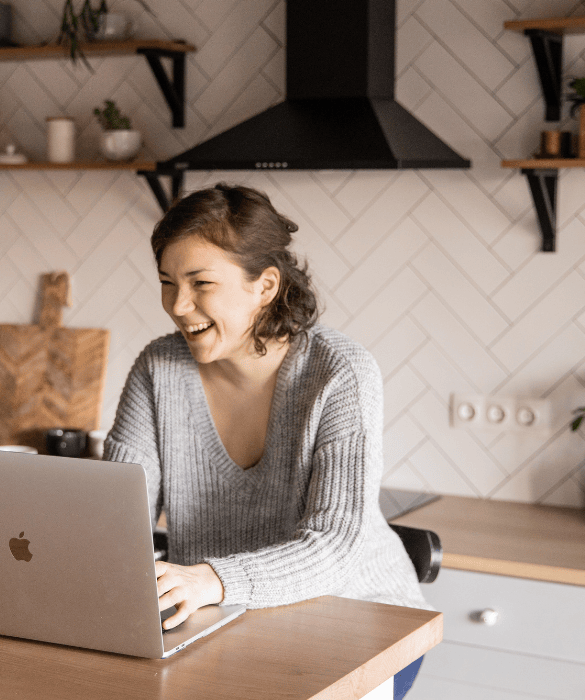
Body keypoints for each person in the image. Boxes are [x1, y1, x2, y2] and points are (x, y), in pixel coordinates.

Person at [104, 184, 428, 698]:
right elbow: (113, 521)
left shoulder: (338, 373)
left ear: (266, 285)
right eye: (167, 283)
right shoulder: (157, 368)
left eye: (201, 283)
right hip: (220, 621)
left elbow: (334, 547)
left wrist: (211, 579)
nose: (178, 305)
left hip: (362, 623)